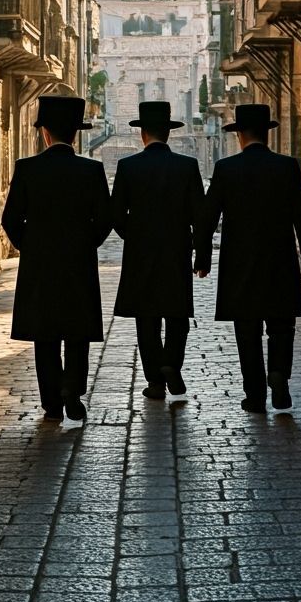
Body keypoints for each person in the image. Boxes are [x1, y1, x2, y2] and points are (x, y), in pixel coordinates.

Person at [195, 103, 301, 413]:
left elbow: (206, 218)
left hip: (240, 264)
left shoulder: (226, 169)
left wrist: (203, 258)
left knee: (246, 332)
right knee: (282, 327)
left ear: (239, 135)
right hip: (280, 261)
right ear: (267, 133)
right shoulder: (288, 167)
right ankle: (279, 375)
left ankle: (254, 394)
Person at [2, 95, 112, 423]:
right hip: (78, 264)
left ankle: (51, 400)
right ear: (75, 134)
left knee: (45, 333)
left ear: (44, 133)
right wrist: (85, 243)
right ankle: (73, 391)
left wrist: (31, 246)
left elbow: (10, 219)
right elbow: (105, 219)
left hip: (40, 266)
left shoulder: (27, 169)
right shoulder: (91, 171)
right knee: (77, 332)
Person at [111, 101, 210, 400]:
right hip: (177, 252)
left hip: (141, 254)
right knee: (177, 314)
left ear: (142, 133)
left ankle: (155, 380)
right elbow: (201, 217)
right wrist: (201, 255)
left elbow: (115, 214)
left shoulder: (128, 167)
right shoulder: (187, 166)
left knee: (147, 319)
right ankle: (171, 364)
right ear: (168, 134)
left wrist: (136, 236)